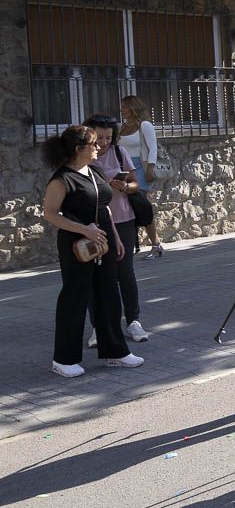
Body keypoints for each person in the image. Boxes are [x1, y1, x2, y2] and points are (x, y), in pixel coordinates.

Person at [42, 125, 144, 377]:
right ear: (79, 149)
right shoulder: (61, 179)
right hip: (77, 245)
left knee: (109, 295)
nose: (99, 147)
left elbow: (105, 207)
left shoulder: (94, 170)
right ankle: (63, 360)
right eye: (93, 144)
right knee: (75, 298)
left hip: (103, 241)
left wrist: (115, 237)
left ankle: (115, 352)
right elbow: (50, 214)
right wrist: (83, 229)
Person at [85, 115, 147, 345]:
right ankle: (98, 327)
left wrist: (125, 186)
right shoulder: (83, 156)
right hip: (94, 223)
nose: (103, 143)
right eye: (99, 137)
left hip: (123, 219)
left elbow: (135, 184)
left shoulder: (119, 153)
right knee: (96, 275)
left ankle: (133, 321)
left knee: (125, 272)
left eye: (108, 138)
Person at [117, 95, 162, 257]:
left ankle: (156, 244)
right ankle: (133, 244)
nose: (122, 110)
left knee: (140, 205)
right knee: (129, 207)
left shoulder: (145, 125)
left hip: (141, 168)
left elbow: (153, 148)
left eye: (125, 106)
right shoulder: (122, 127)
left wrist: (150, 168)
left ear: (133, 108)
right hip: (126, 170)